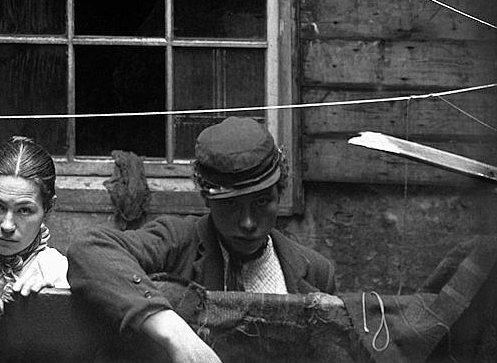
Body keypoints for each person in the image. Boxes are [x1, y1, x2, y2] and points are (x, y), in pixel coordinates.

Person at [68, 116, 338, 363]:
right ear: (207, 198)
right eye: (231, 205)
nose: (247, 222)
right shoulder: (178, 242)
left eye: (261, 201)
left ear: (280, 193)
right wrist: (172, 330)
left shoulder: (315, 272)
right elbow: (90, 247)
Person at [0, 135, 69, 294]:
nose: (7, 226)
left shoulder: (58, 275)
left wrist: (49, 301)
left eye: (24, 210)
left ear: (48, 210)